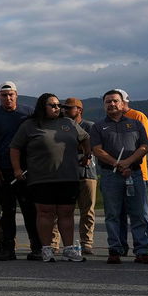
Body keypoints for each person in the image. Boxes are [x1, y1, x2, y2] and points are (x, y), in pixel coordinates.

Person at [8, 94, 91, 262]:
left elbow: (85, 138)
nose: (57, 108)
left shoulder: (68, 123)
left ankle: (68, 249)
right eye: (52, 105)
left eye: (58, 105)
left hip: (68, 176)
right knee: (45, 213)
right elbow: (15, 147)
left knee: (66, 213)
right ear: (42, 107)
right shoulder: (30, 125)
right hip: (41, 178)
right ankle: (46, 249)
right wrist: (17, 169)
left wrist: (86, 154)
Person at [90, 89, 148, 264]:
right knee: (113, 214)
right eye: (108, 102)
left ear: (122, 103)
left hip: (134, 173)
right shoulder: (98, 126)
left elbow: (144, 147)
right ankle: (115, 249)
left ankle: (142, 250)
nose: (111, 104)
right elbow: (97, 150)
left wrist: (128, 162)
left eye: (115, 101)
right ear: (104, 105)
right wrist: (117, 164)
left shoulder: (136, 124)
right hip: (110, 174)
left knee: (138, 213)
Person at [0, 82, 37, 261]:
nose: (8, 98)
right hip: (4, 170)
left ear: (16, 95)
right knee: (7, 210)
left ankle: (36, 247)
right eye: (4, 95)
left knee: (30, 210)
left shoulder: (28, 113)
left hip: (27, 169)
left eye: (11, 95)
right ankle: (8, 248)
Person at [60, 97, 97, 254]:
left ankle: (86, 242)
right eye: (64, 108)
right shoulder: (61, 126)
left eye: (69, 108)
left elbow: (95, 148)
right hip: (65, 173)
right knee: (61, 210)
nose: (65, 111)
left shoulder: (89, 126)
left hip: (87, 173)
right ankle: (55, 242)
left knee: (87, 210)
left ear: (79, 110)